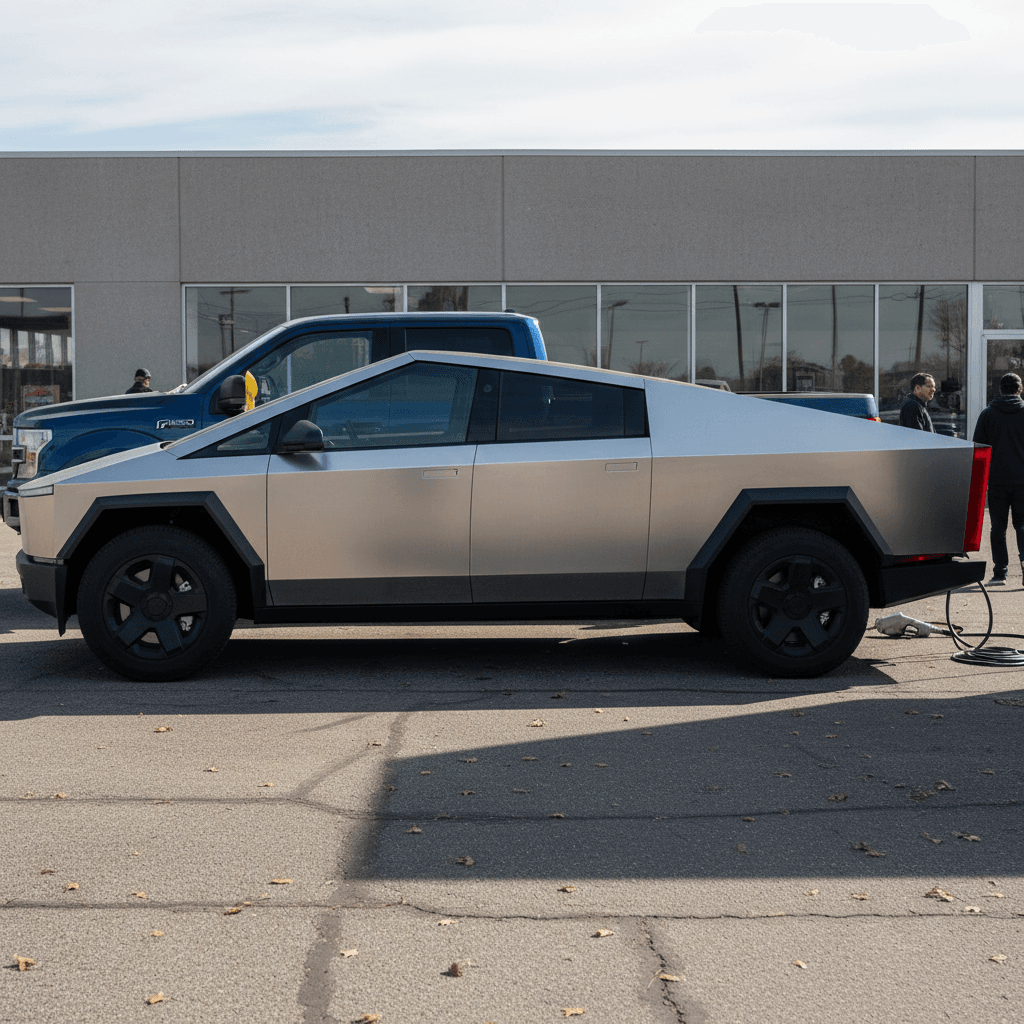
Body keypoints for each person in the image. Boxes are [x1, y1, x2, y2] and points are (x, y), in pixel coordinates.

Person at [973, 372, 1024, 584]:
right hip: (1022, 480)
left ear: (1000, 390)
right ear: (1019, 389)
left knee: (998, 527)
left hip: (996, 480)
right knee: (1022, 525)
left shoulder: (987, 414)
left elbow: (979, 446)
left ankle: (999, 572)